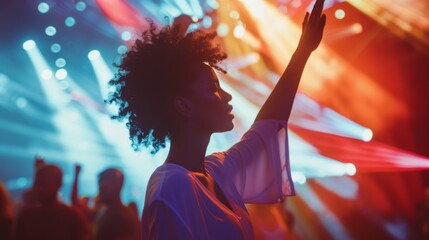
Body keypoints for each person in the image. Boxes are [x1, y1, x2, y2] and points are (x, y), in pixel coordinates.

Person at [107, 0, 326, 238]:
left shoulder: (215, 170)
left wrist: (303, 51)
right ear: (183, 105)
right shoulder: (171, 187)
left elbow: (264, 129)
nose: (227, 96)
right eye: (213, 87)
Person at [13, 164, 90, 240]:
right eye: (37, 183)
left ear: (58, 184)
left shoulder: (72, 216)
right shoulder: (26, 215)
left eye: (43, 184)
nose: (38, 188)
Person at [93, 168, 141, 240]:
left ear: (117, 185)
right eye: (99, 186)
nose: (100, 191)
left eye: (103, 186)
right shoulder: (106, 212)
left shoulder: (122, 217)